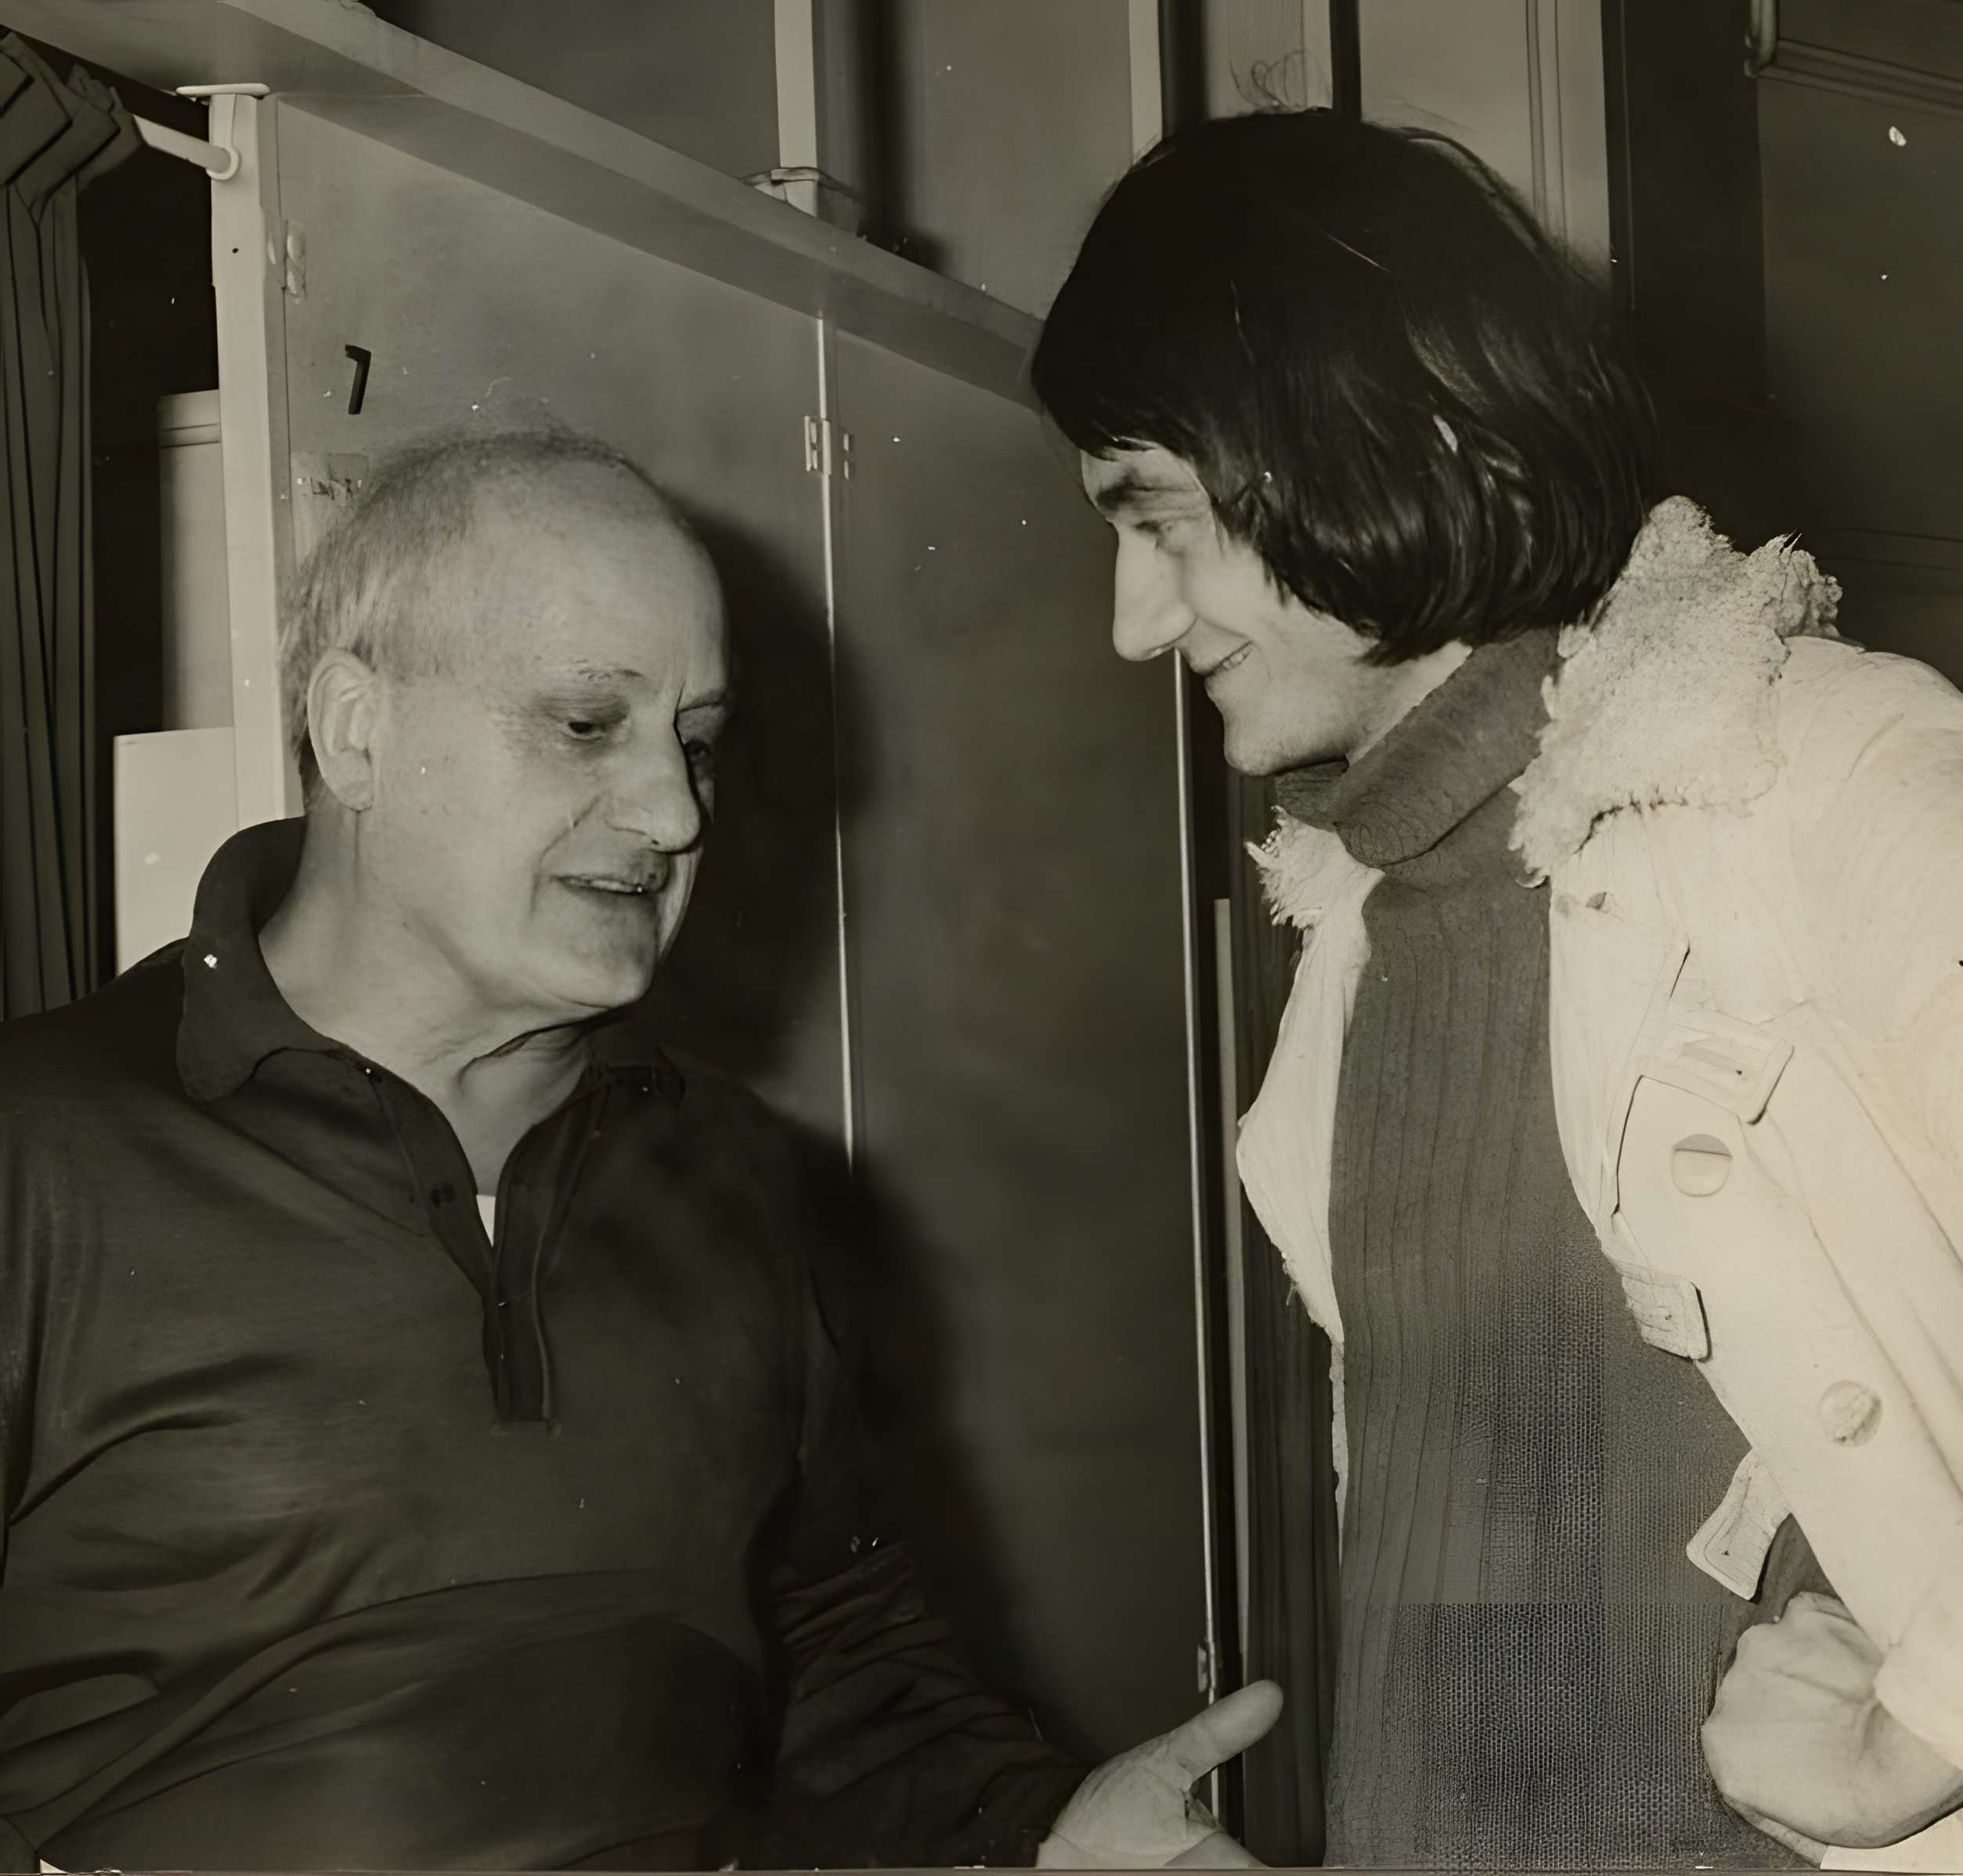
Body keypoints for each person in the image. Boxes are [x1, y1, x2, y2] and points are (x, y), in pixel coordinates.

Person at [0, 431, 1277, 1871]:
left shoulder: (733, 1171)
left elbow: (837, 1658)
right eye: (585, 723)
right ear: (355, 731)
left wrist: (1043, 1829)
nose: (674, 814)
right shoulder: (40, 1148)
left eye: (696, 741)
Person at [1033, 109, 1963, 1871]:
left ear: (1392, 443)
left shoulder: (1814, 771)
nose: (1131, 622)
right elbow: (1505, 1624)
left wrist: (1929, 1734)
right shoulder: (1358, 923)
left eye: (1161, 518)